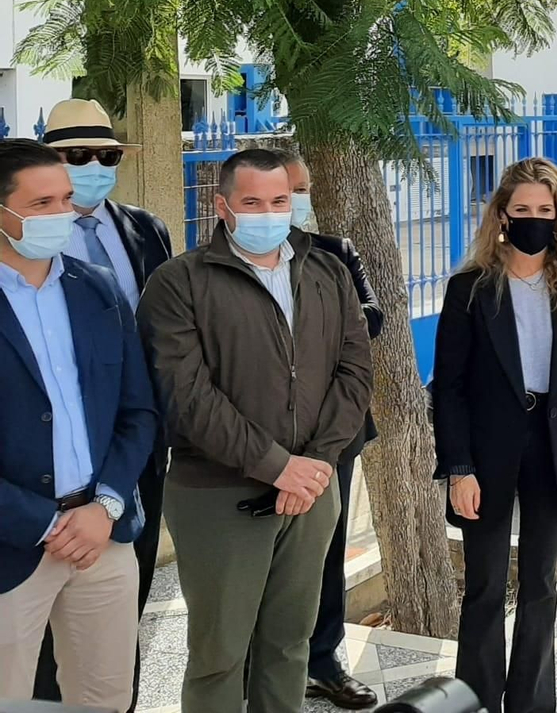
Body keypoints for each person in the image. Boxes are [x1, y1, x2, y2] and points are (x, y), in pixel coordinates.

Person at [138, 147, 373, 713]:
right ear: (222, 206)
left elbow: (354, 371)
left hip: (312, 491)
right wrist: (279, 467)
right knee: (220, 654)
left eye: (279, 200)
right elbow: (187, 397)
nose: (269, 213)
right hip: (219, 495)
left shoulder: (327, 272)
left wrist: (316, 463)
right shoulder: (179, 282)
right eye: (252, 202)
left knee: (289, 646)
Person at [0, 138, 158, 710]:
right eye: (41, 204)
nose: (62, 214)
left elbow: (138, 410)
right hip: (11, 543)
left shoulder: (97, 288)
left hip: (101, 536)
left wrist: (106, 504)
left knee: (104, 698)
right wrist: (44, 523)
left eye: (65, 200)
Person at [432, 157, 557, 713]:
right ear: (501, 214)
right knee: (484, 585)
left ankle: (531, 703)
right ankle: (475, 701)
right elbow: (448, 387)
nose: (534, 219)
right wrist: (458, 468)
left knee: (542, 583)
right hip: (486, 450)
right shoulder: (469, 289)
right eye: (522, 209)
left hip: (554, 444)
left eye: (545, 210)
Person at [34, 97, 173, 711]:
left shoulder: (145, 228)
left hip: (138, 438)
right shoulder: (30, 240)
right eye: (78, 155)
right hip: (53, 450)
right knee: (44, 607)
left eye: (107, 156)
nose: (94, 167)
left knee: (124, 588)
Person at [282, 151, 385, 710]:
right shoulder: (216, 264)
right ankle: (259, 663)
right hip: (261, 441)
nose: (297, 199)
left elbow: (372, 319)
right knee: (261, 557)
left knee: (326, 550)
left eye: (302, 189)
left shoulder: (335, 252)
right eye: (289, 187)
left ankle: (323, 661)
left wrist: (324, 317)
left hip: (332, 435)